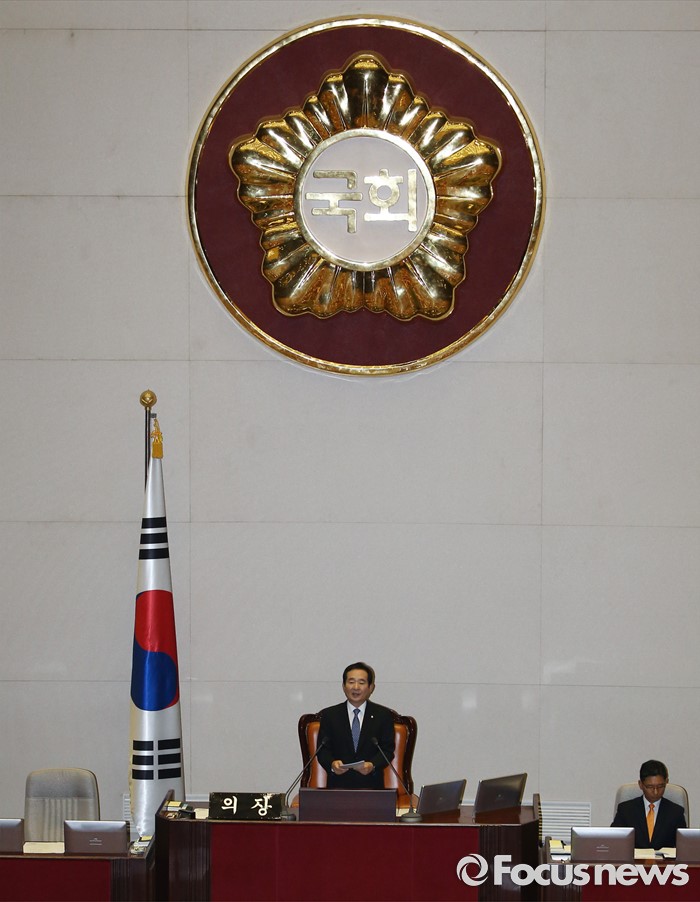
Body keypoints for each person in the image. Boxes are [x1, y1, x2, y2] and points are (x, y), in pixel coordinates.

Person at [316, 661, 396, 789]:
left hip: (372, 787)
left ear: (371, 687)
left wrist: (372, 765)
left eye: (362, 682)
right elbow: (322, 750)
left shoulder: (383, 715)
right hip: (338, 786)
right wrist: (332, 764)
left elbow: (387, 750)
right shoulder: (330, 715)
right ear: (344, 686)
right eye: (351, 682)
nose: (356, 687)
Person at [611, 759, 686, 849]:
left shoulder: (676, 812)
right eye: (650, 787)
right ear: (640, 784)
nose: (656, 791)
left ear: (666, 782)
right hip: (633, 858)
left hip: (664, 858)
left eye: (660, 786)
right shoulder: (626, 810)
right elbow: (613, 841)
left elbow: (684, 847)